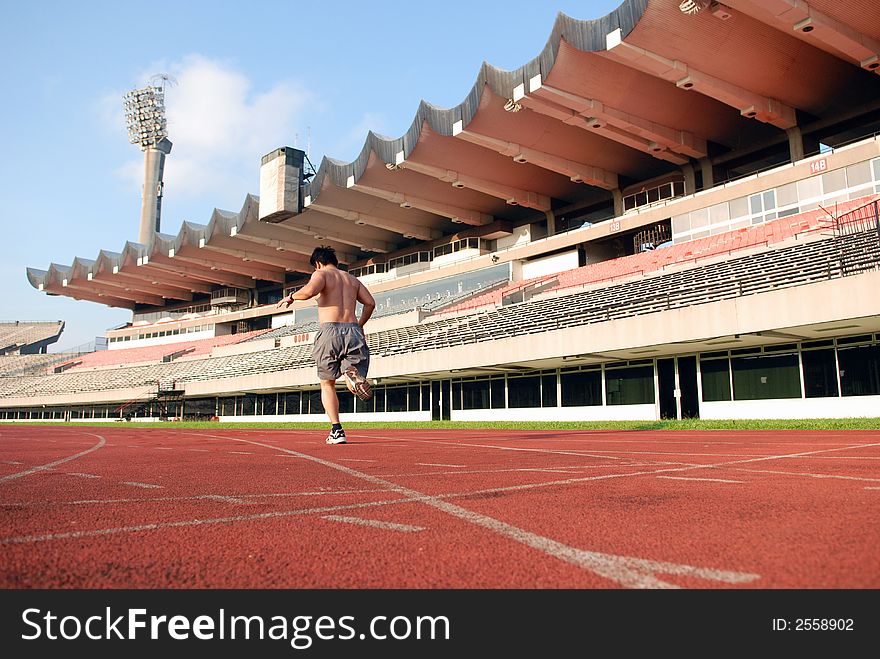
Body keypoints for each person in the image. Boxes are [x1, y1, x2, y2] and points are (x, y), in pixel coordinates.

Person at [277, 246, 375, 444]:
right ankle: (353, 378)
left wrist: (290, 297)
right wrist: (360, 324)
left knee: (327, 383)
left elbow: (309, 292)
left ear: (318, 263)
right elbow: (370, 303)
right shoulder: (352, 279)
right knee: (352, 370)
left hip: (330, 331)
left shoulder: (321, 273)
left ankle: (337, 430)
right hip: (353, 330)